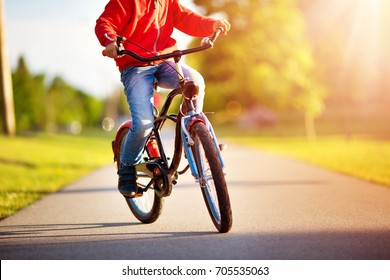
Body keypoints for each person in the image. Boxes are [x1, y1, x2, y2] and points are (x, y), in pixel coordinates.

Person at [95, 0, 230, 198]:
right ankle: (127, 166)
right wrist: (110, 41)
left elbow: (187, 19)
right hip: (135, 66)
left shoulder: (167, 2)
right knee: (143, 124)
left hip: (166, 60)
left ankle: (197, 138)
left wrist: (211, 25)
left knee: (195, 81)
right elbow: (104, 22)